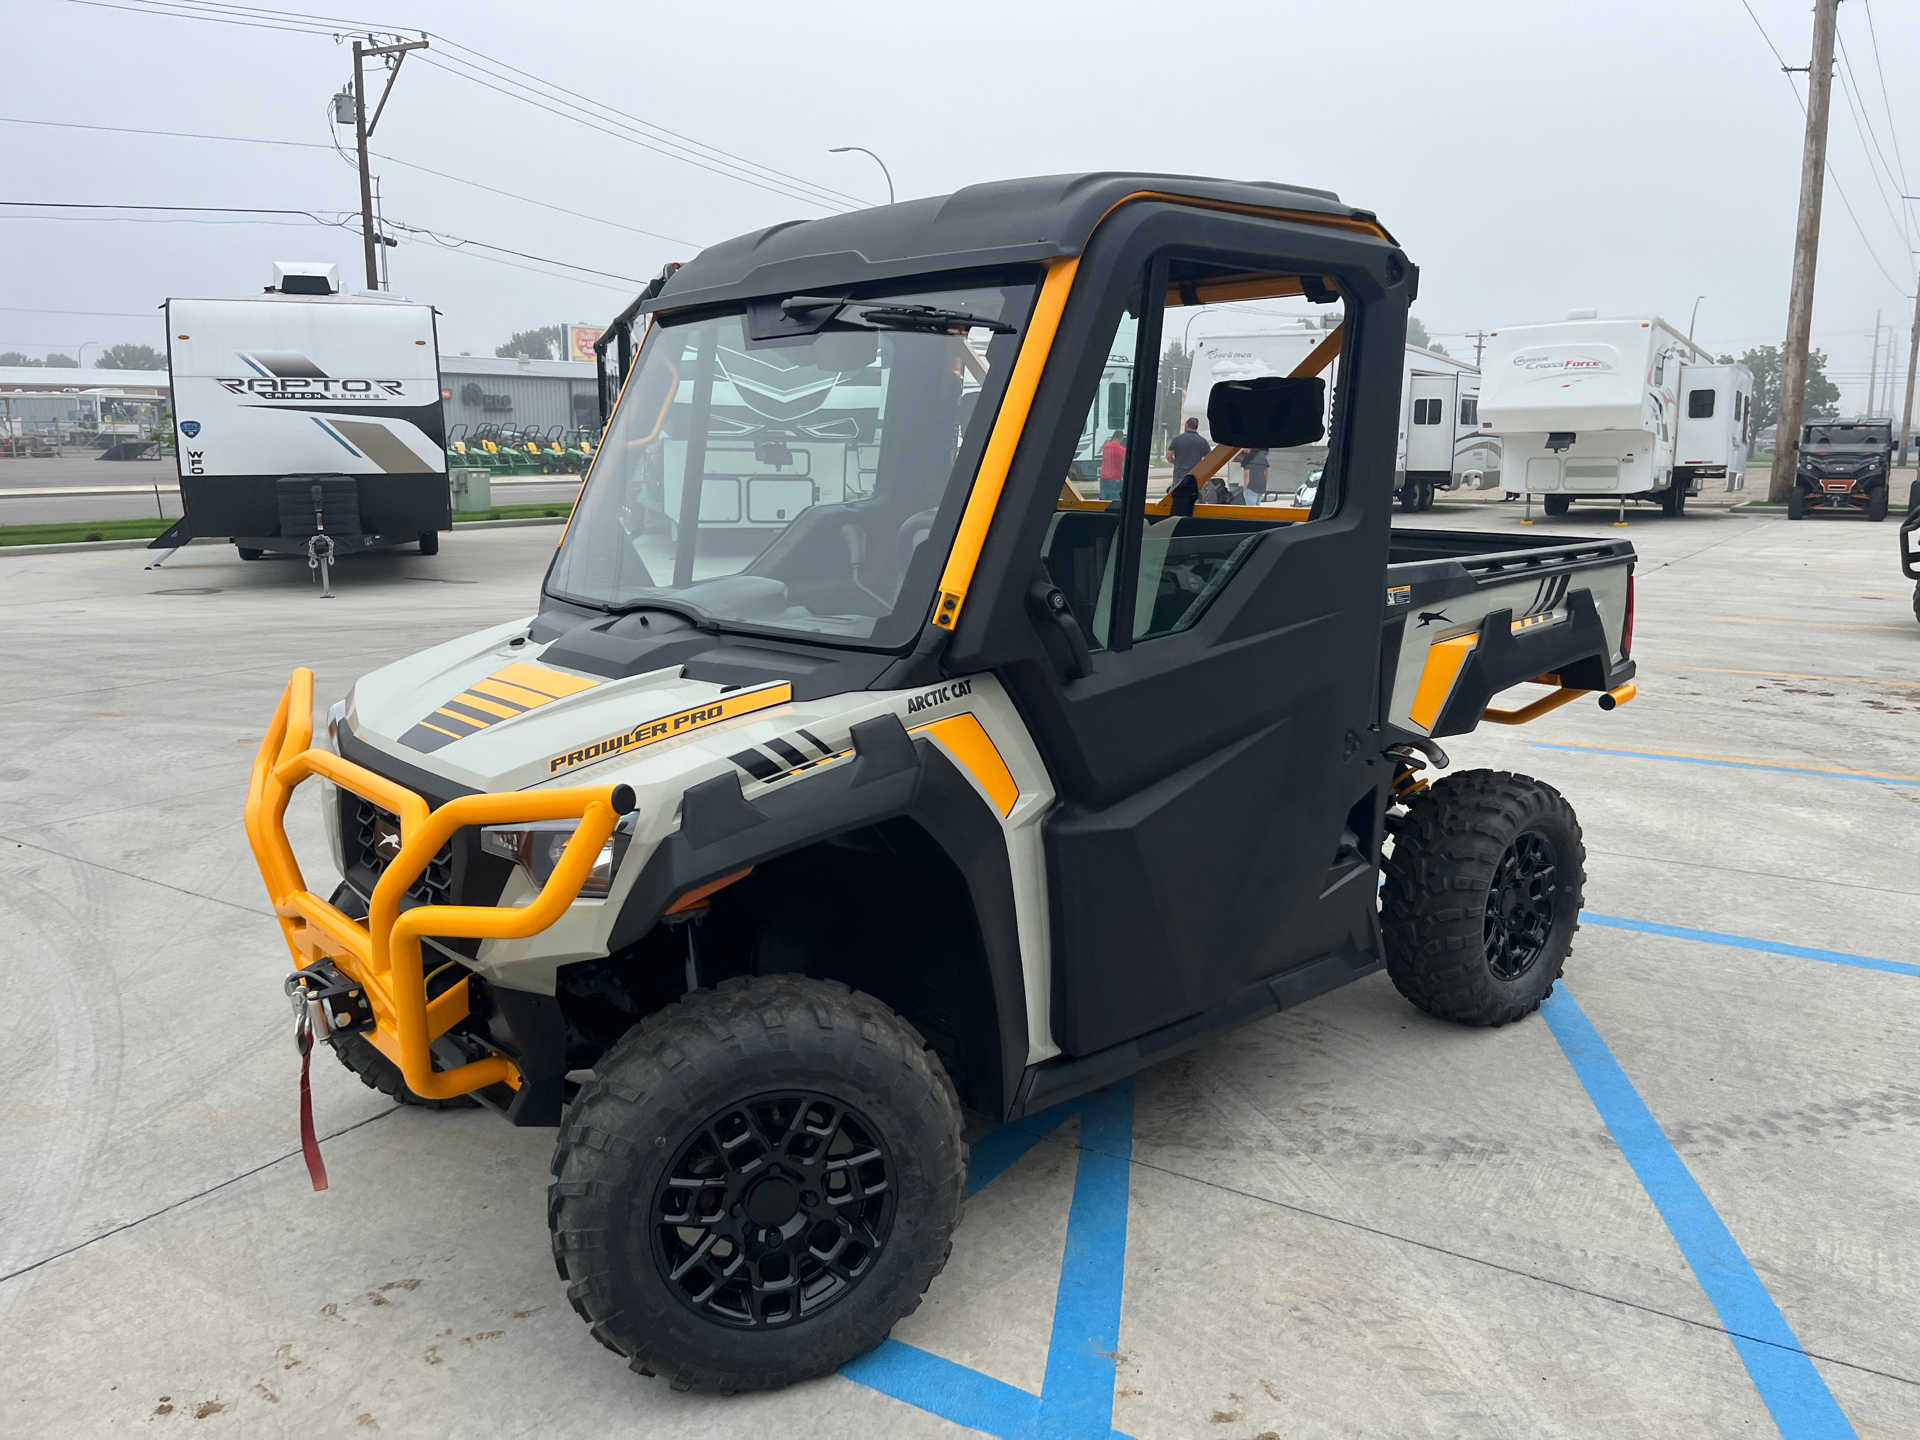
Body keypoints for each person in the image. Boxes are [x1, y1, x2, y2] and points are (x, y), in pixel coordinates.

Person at [1165, 417, 1210, 511]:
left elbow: (1168, 456)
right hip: (1196, 477)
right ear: (1196, 427)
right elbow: (1209, 459)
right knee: (1195, 501)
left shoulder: (1177, 439)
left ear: (1187, 425)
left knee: (1176, 500)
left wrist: (1175, 462)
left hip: (1179, 474)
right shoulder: (1202, 441)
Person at [1098, 431, 1126, 501]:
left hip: (1104, 476)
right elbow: (1122, 465)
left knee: (1103, 499)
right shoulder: (1122, 450)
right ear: (1121, 438)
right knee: (1115, 500)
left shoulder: (1106, 446)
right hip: (1115, 477)